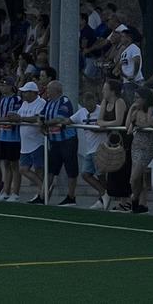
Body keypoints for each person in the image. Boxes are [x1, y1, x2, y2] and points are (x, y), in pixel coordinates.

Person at [40, 78, 79, 206]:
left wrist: (45, 123)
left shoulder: (64, 101)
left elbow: (60, 119)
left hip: (67, 140)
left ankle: (71, 196)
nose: (47, 92)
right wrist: (42, 125)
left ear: (56, 90)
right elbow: (41, 116)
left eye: (49, 89)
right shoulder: (49, 102)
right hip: (55, 141)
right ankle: (43, 196)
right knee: (51, 169)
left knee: (71, 169)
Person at [94, 79, 129, 210]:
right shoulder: (104, 102)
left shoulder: (119, 102)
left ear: (112, 91)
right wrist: (103, 123)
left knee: (123, 170)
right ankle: (118, 200)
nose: (103, 91)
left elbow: (119, 121)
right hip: (112, 140)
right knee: (112, 169)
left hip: (123, 140)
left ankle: (126, 201)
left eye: (105, 89)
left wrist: (104, 124)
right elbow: (99, 119)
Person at [70, 90, 108, 208]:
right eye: (85, 104)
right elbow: (69, 120)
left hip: (100, 148)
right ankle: (104, 194)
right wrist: (57, 122)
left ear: (94, 101)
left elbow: (109, 126)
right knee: (86, 174)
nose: (88, 106)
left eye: (90, 103)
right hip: (89, 149)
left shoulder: (101, 110)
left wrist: (98, 129)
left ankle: (103, 199)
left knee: (101, 175)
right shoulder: (81, 112)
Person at [123, 88, 153, 214]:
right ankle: (141, 204)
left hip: (147, 146)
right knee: (137, 178)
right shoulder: (136, 111)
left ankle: (134, 198)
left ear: (144, 99)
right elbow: (128, 127)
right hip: (136, 145)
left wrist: (139, 125)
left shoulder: (150, 109)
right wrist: (131, 110)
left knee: (134, 177)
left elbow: (149, 123)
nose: (135, 100)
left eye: (138, 97)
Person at [0, 77, 22, 202]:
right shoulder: (2, 100)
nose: (2, 87)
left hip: (13, 137)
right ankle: (6, 191)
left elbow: (12, 117)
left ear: (11, 86)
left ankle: (15, 192)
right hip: (2, 135)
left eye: (4, 85)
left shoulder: (16, 99)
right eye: (1, 85)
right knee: (6, 164)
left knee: (14, 164)